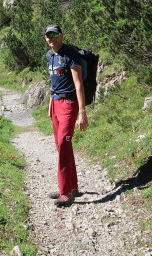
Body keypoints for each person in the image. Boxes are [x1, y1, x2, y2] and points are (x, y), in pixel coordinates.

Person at [43, 23, 88, 207]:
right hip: (56, 104)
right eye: (48, 36)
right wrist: (50, 104)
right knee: (62, 146)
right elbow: (53, 82)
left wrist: (82, 112)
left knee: (64, 144)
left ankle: (65, 192)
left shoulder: (71, 55)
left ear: (62, 36)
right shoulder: (49, 56)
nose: (51, 38)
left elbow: (78, 84)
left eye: (54, 35)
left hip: (69, 104)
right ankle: (72, 186)